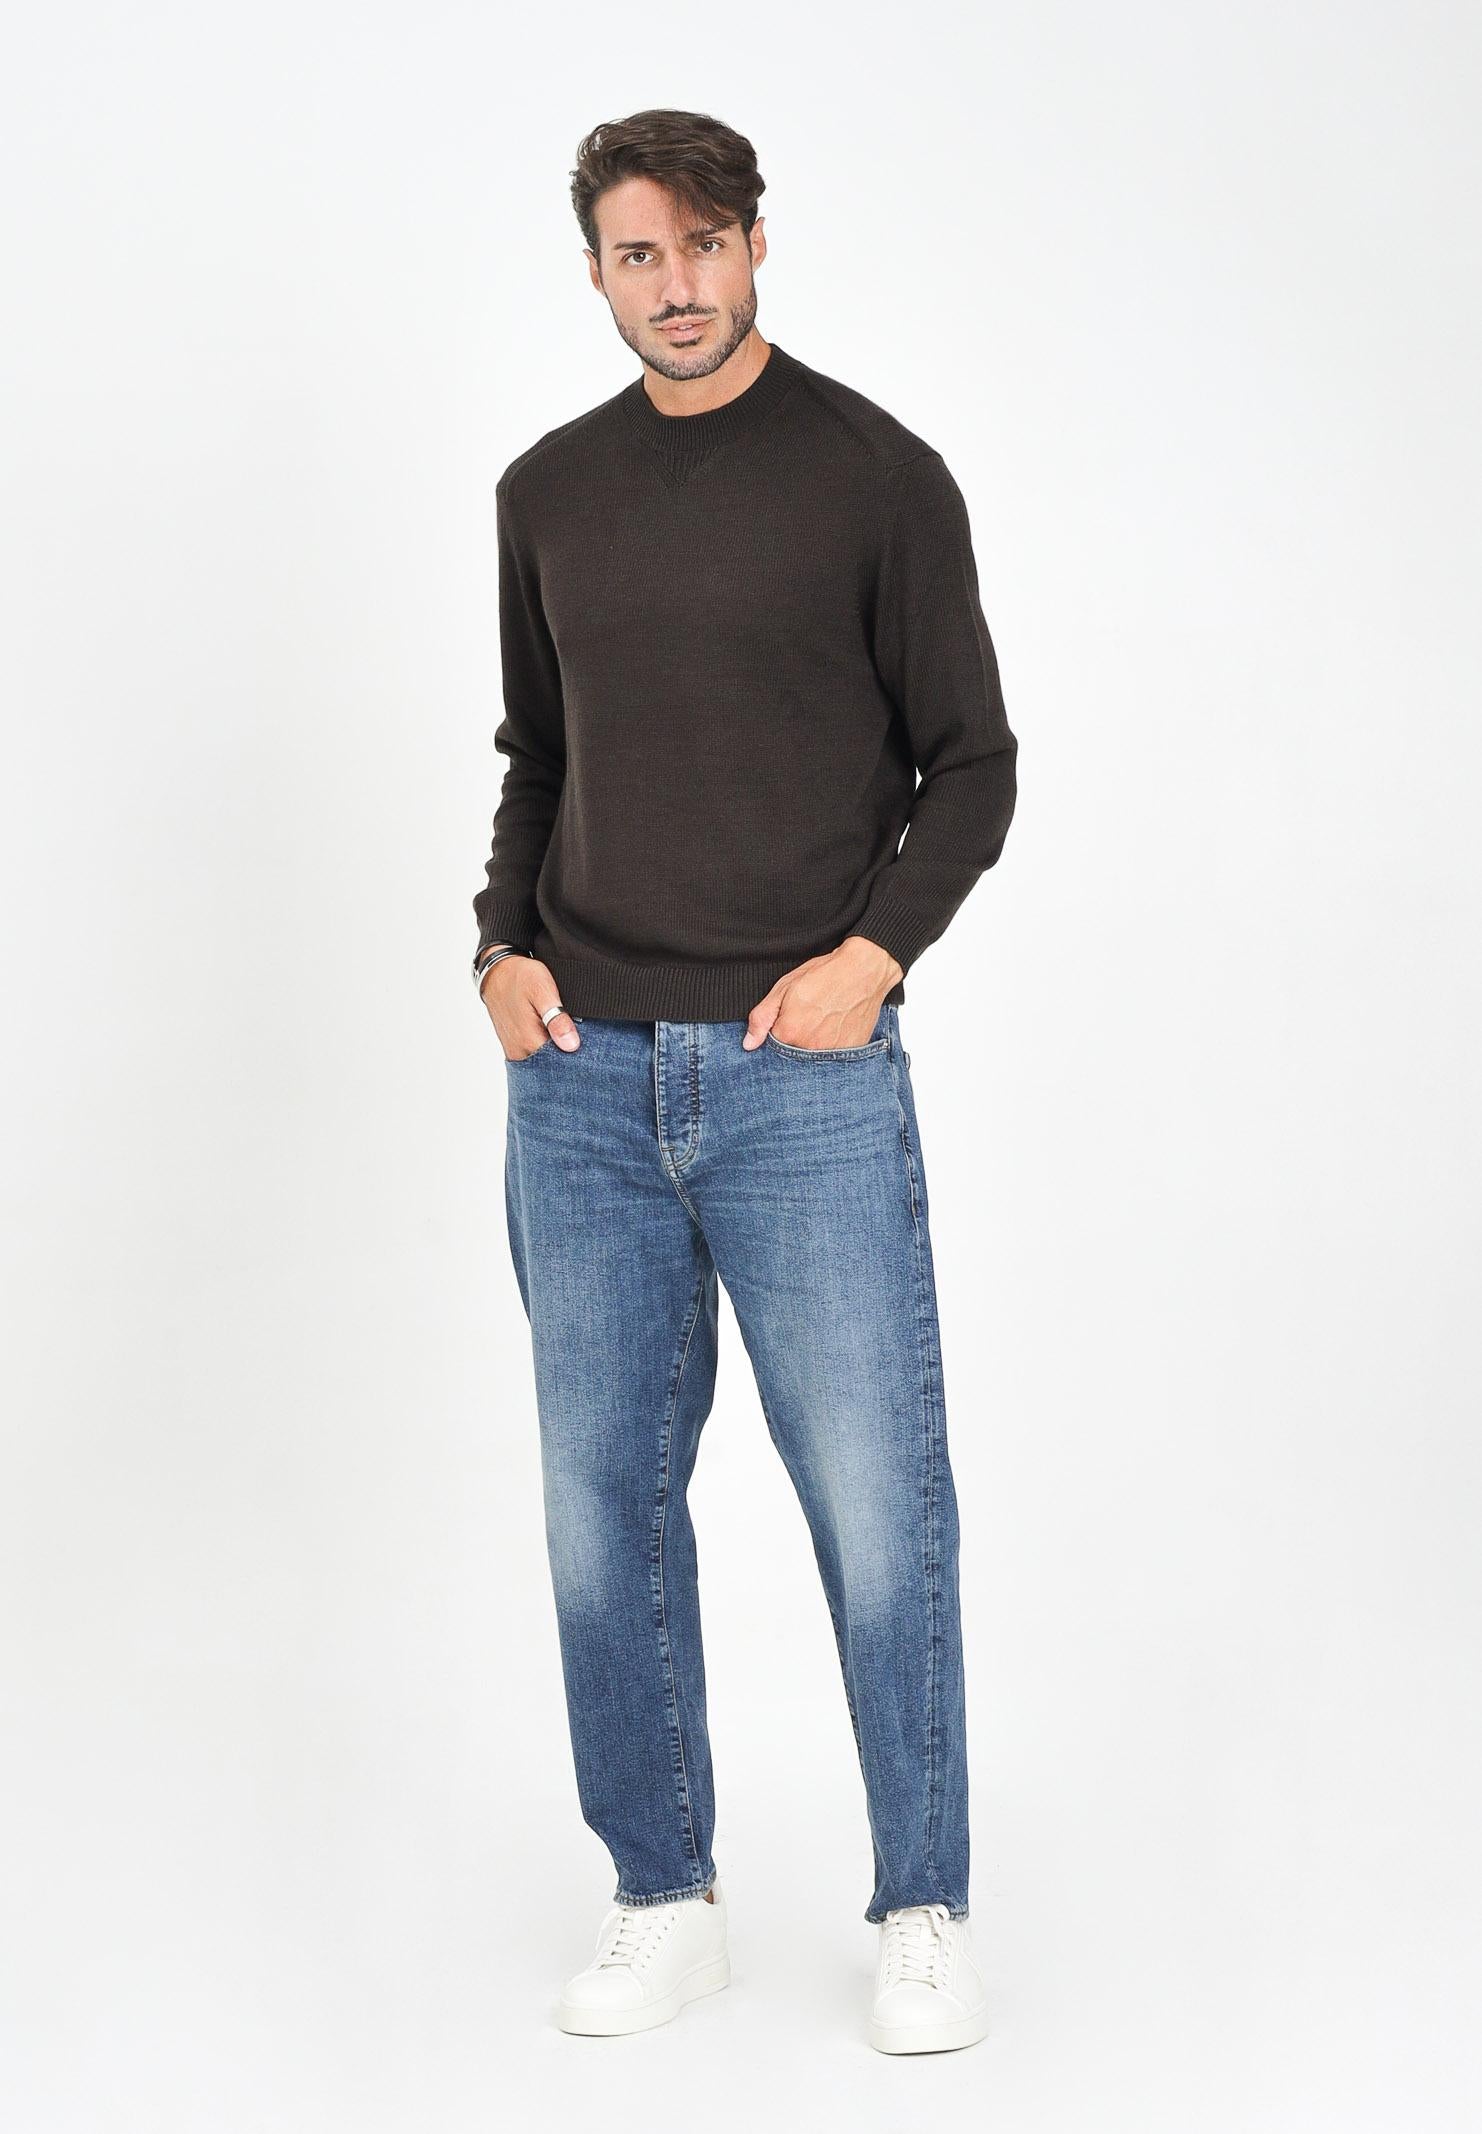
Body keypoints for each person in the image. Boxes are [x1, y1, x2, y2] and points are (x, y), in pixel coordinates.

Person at [471, 107, 1017, 2055]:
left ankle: (922, 1900)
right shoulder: (548, 491)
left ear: (757, 245)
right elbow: (540, 756)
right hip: (580, 1080)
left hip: (803, 1079)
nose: (676, 284)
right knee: (599, 1507)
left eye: (703, 245)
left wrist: (872, 961)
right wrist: (500, 946)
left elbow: (972, 762)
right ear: (596, 272)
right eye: (639, 253)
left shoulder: (876, 478)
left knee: (877, 1498)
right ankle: (662, 1891)